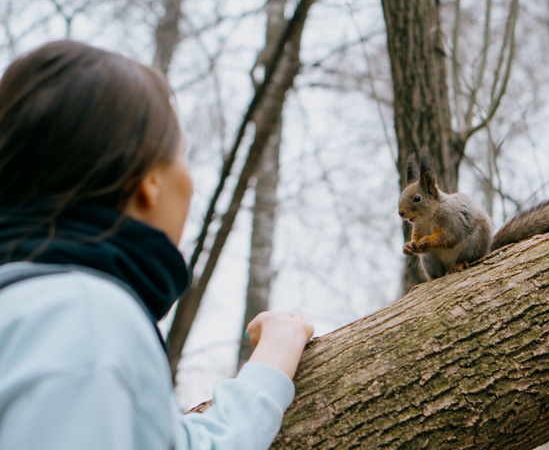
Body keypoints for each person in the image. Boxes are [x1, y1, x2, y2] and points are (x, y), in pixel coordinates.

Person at [0, 40, 314, 449]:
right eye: (182, 155)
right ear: (148, 179)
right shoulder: (85, 315)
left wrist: (276, 352)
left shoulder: (37, 310)